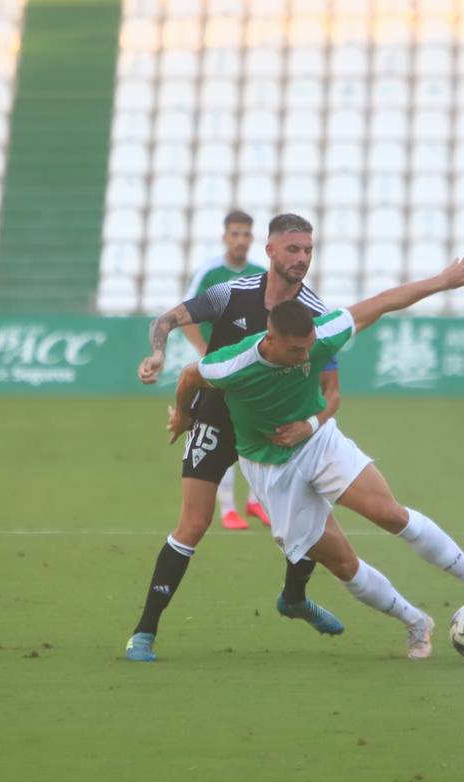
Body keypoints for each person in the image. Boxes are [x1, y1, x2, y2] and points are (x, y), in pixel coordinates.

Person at [169, 253, 464, 660]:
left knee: (391, 514)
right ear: (270, 341)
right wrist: (184, 416)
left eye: (309, 347)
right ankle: (415, 622)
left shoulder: (323, 334)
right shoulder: (233, 363)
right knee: (343, 563)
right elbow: (188, 376)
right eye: (295, 350)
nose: (306, 357)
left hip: (319, 443)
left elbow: (383, 301)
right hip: (271, 468)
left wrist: (442, 281)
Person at [127, 214, 342, 661]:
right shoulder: (233, 292)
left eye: (308, 250)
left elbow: (330, 391)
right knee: (193, 523)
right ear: (271, 251)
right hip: (216, 415)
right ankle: (144, 632)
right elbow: (169, 318)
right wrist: (158, 353)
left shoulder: (315, 313)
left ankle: (295, 598)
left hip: (274, 425)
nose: (302, 258)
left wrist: (311, 425)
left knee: (308, 525)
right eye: (293, 249)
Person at [180, 210, 270, 530]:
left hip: (251, 370)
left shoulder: (262, 273)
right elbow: (185, 313)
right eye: (235, 234)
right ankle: (228, 508)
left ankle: (256, 502)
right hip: (218, 370)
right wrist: (204, 351)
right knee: (218, 429)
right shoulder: (211, 273)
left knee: (255, 429)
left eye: (246, 234)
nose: (241, 240)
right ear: (224, 237)